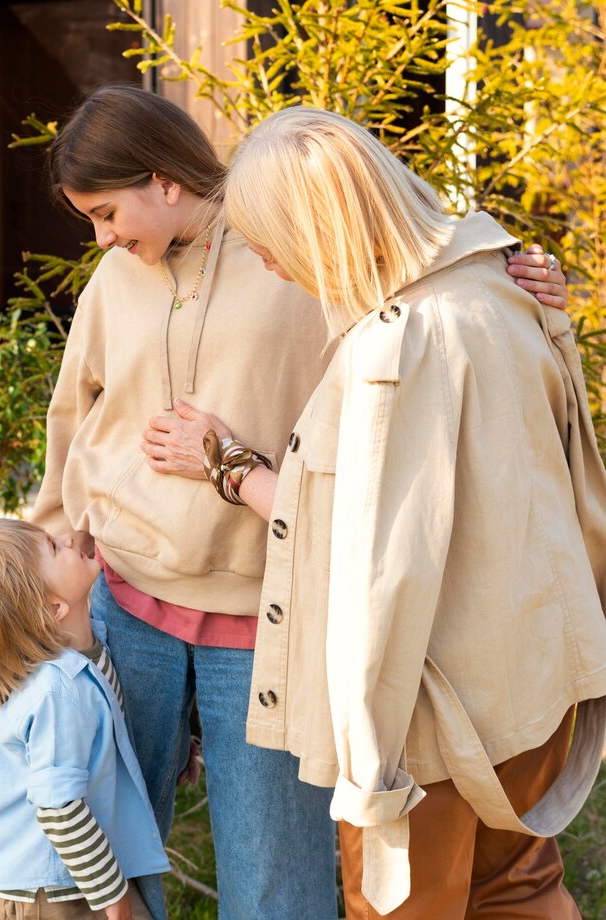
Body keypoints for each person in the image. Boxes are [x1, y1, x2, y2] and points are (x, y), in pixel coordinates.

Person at [29, 84, 570, 919]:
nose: (101, 239)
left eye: (107, 213)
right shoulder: (114, 280)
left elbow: (388, 455)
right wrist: (40, 565)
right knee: (101, 858)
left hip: (264, 617)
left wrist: (526, 292)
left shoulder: (307, 259)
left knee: (277, 881)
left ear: (164, 182)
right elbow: (75, 418)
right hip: (126, 603)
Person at [168, 105, 606, 918]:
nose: (265, 264)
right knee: (521, 892)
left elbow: (379, 572)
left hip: (429, 729)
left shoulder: (392, 349)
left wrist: (368, 770)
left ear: (315, 227)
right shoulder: (500, 280)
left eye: (268, 240)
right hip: (535, 692)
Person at [0, 518, 172, 920]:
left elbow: (105, 724)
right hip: (44, 888)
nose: (67, 537)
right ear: (54, 608)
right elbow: (59, 809)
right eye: (54, 548)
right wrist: (114, 899)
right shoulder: (57, 694)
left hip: (66, 873)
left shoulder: (88, 653)